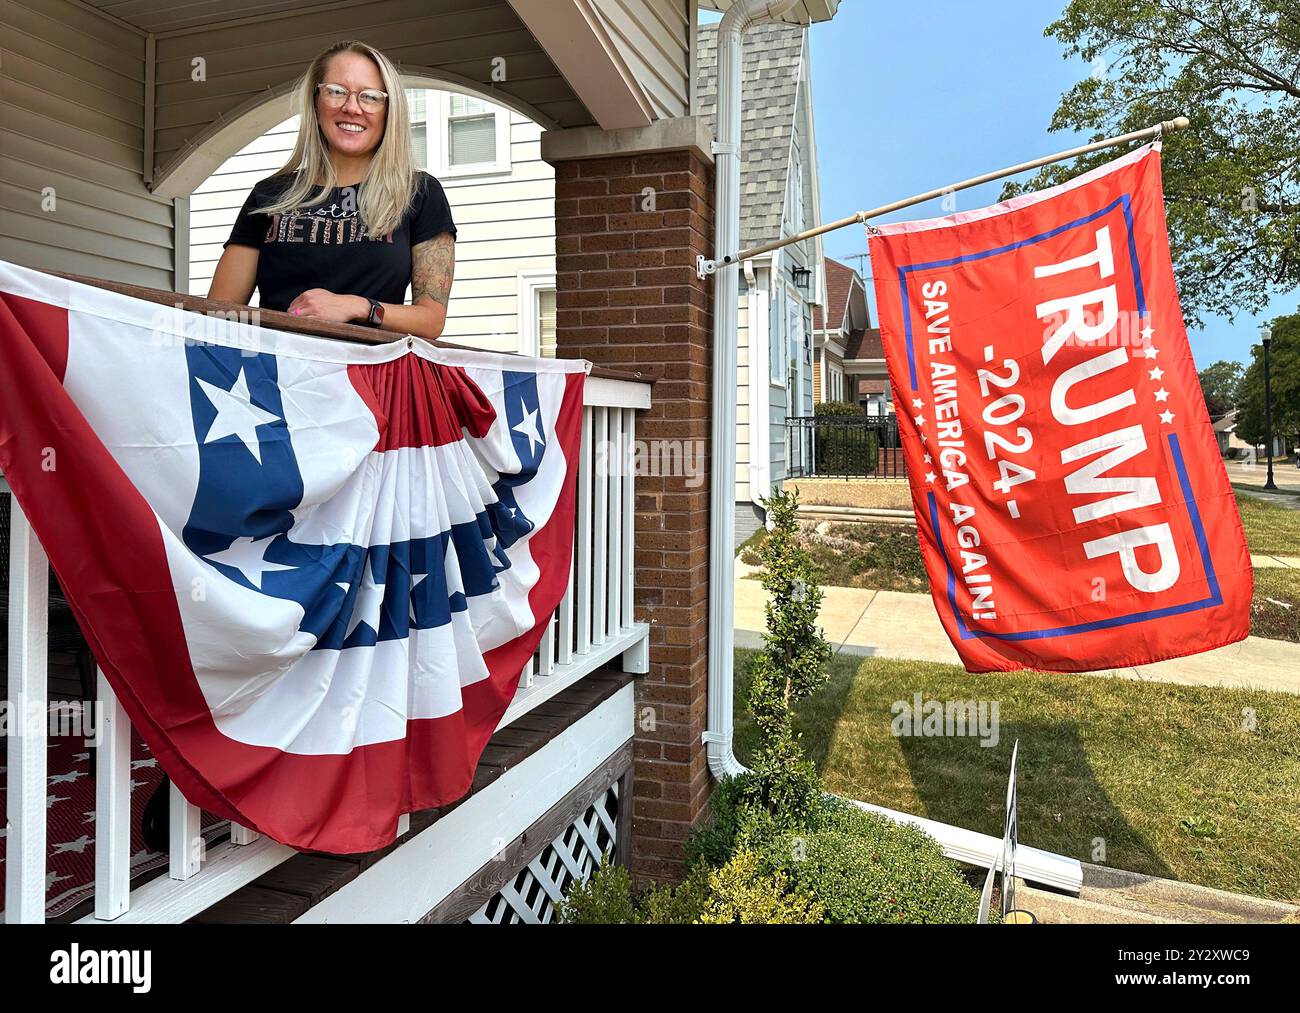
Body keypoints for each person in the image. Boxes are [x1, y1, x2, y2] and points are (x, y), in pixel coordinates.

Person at [207, 39, 455, 339]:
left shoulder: (419, 193)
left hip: (369, 379)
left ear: (389, 110)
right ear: (316, 101)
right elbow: (218, 313)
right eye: (336, 92)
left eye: (370, 97)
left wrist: (357, 307)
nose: (352, 107)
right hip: (277, 375)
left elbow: (430, 321)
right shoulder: (269, 195)